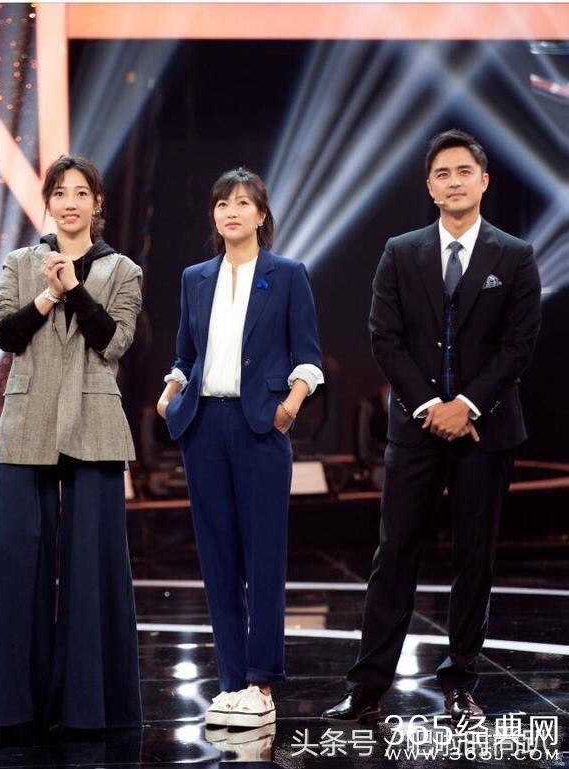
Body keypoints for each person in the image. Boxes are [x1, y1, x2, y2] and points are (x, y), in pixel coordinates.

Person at [323, 129, 541, 724]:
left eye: (464, 171)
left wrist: (466, 404)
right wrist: (429, 406)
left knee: (474, 557)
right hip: (415, 427)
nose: (453, 181)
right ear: (429, 186)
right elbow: (384, 339)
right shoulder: (400, 252)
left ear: (484, 181)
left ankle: (460, 683)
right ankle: (368, 686)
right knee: (394, 554)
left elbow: (518, 345)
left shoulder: (515, 255)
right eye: (442, 173)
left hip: (486, 430)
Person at [0, 155, 143, 745]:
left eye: (81, 192)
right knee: (15, 558)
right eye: (60, 193)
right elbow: (3, 334)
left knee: (93, 562)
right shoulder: (21, 263)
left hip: (94, 420)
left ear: (98, 203)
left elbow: (114, 342)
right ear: (48, 202)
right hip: (28, 421)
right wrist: (46, 295)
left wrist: (75, 290)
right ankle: (6, 710)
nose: (70, 202)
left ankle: (91, 709)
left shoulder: (123, 269)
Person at [157, 168, 323, 729]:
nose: (232, 211)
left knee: (263, 556)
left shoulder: (287, 274)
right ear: (214, 215)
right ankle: (231, 682)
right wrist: (171, 391)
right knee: (217, 558)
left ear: (261, 215)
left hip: (260, 428)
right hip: (203, 426)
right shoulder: (195, 278)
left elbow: (308, 356)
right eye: (223, 203)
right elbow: (185, 353)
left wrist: (290, 405)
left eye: (243, 203)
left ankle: (261, 682)